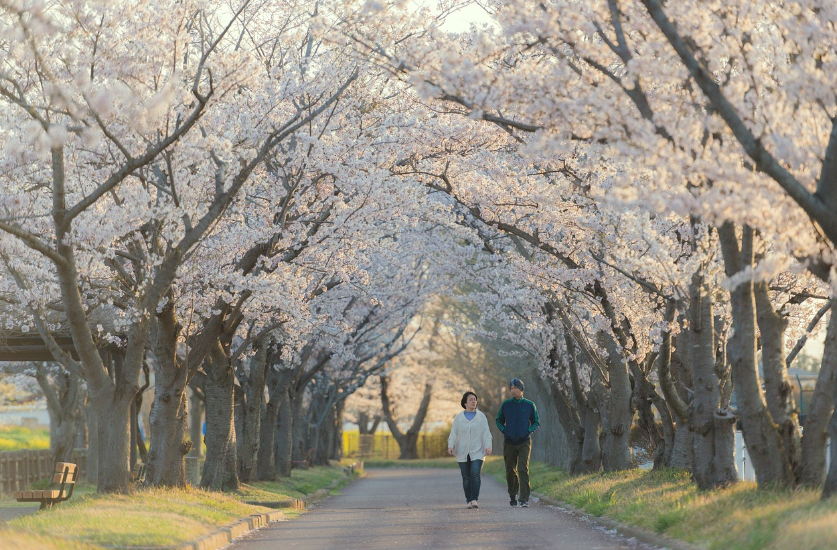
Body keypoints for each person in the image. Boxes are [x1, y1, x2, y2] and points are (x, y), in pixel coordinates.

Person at [496, 378, 539, 507]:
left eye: (515, 388)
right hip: (509, 442)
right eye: (511, 388)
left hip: (524, 441)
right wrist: (505, 431)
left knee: (522, 468)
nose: (513, 390)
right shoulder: (506, 405)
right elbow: (498, 420)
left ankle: (524, 499)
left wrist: (528, 431)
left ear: (521, 389)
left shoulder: (529, 405)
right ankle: (512, 494)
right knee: (510, 470)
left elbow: (536, 421)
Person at [448, 391, 493, 509]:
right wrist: (450, 446)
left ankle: (474, 499)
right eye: (471, 400)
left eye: (475, 399)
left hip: (478, 450)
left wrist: (488, 446)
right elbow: (453, 433)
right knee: (466, 477)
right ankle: (468, 500)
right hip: (462, 451)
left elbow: (487, 433)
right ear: (465, 403)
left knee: (475, 473)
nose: (474, 401)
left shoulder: (481, 416)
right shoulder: (459, 418)